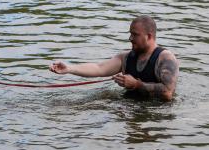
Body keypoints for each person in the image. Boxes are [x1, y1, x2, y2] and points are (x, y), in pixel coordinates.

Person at [49, 15, 179, 101]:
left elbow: (167, 93)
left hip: (155, 117)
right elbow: (99, 68)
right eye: (130, 34)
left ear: (149, 36)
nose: (130, 39)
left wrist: (136, 84)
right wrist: (69, 68)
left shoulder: (165, 58)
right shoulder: (126, 58)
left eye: (135, 35)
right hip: (129, 108)